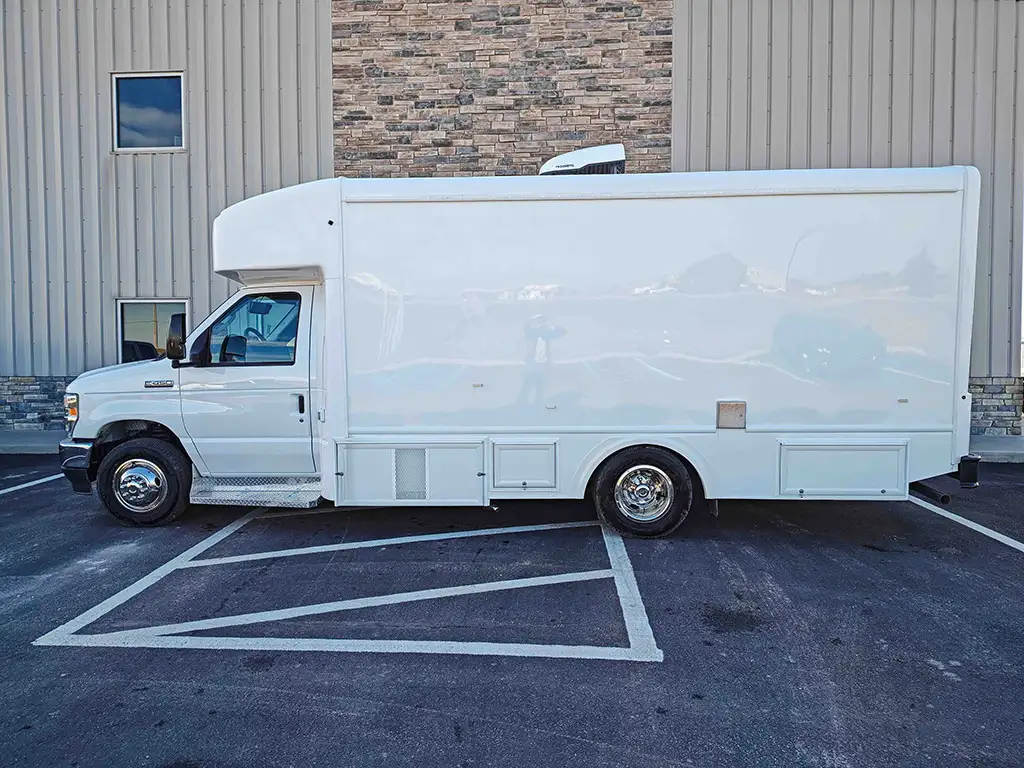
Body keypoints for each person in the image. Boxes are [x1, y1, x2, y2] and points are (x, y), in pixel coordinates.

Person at [517, 314, 565, 406]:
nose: (543, 328)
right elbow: (526, 327)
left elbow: (562, 331)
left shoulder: (547, 335)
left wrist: (551, 326)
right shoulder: (533, 333)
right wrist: (533, 318)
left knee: (540, 384)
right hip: (533, 363)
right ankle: (522, 400)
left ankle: (537, 402)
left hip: (543, 364)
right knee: (528, 382)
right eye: (541, 326)